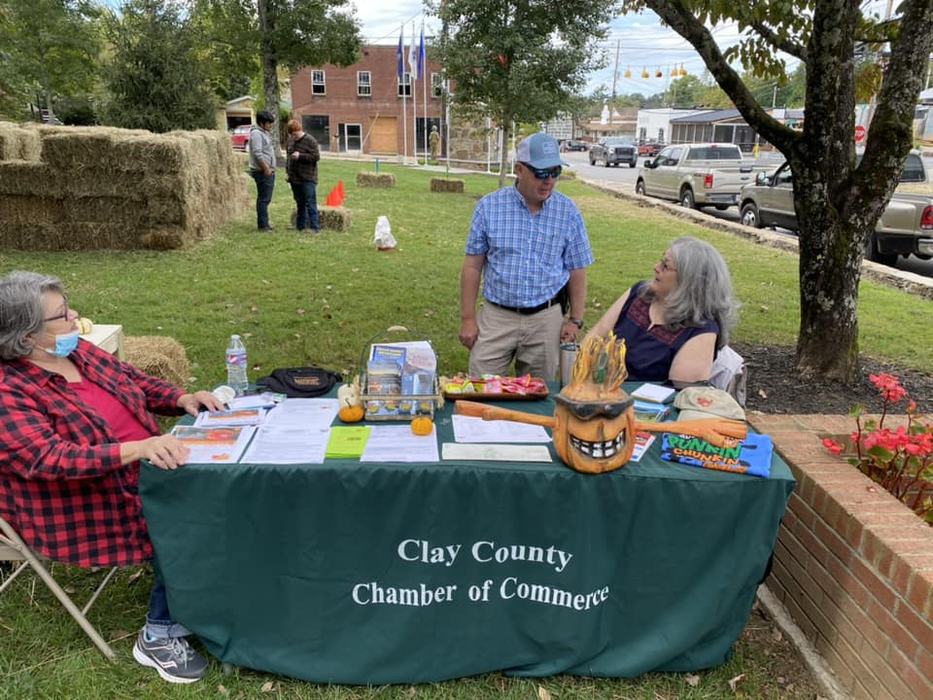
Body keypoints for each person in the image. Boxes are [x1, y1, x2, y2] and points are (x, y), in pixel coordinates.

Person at [0, 271, 226, 684]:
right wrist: (137, 450)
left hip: (141, 467)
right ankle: (159, 634)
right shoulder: (9, 390)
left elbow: (134, 381)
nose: (75, 316)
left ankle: (204, 592)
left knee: (224, 486)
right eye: (61, 314)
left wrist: (181, 398)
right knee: (191, 513)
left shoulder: (75, 352)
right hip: (83, 498)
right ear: (27, 336)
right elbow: (48, 458)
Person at [459, 132, 593, 380]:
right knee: (480, 389)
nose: (549, 181)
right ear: (519, 169)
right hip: (497, 316)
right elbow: (472, 267)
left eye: (555, 172)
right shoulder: (489, 207)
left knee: (539, 397)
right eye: (541, 173)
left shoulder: (568, 211)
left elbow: (577, 269)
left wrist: (575, 320)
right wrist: (468, 319)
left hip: (546, 318)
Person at [586, 236, 738, 386]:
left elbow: (678, 392)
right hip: (599, 391)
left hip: (646, 408)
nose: (656, 267)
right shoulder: (639, 293)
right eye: (661, 260)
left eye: (665, 266)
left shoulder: (701, 330)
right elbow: (596, 335)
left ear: (688, 281)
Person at [285, 119, 321, 234]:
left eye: (295, 134)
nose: (294, 137)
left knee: (310, 203)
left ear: (299, 130)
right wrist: (288, 173)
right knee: (299, 203)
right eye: (292, 135)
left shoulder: (310, 140)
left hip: (308, 178)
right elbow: (288, 158)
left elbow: (316, 157)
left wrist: (301, 156)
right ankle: (300, 226)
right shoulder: (290, 141)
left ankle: (315, 228)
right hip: (294, 178)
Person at [248, 110, 277, 232]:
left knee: (266, 198)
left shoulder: (263, 133)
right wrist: (266, 168)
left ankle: (265, 223)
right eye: (269, 123)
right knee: (264, 199)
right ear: (261, 123)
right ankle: (263, 226)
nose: (271, 125)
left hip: (267, 170)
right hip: (262, 171)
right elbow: (257, 153)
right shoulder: (256, 134)